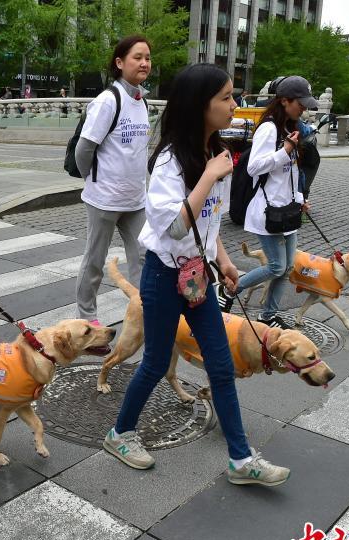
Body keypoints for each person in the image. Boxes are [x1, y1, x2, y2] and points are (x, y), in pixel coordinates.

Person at [104, 63, 290, 487]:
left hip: (198, 277)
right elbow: (174, 227)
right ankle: (120, 434)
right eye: (225, 98)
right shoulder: (171, 161)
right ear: (198, 106)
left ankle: (241, 460)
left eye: (233, 96)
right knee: (153, 364)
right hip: (163, 275)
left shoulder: (217, 153)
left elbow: (209, 221)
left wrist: (223, 259)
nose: (234, 105)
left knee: (221, 367)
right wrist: (207, 177)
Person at [221, 76, 316, 329]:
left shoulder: (288, 128)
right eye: (300, 103)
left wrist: (299, 199)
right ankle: (230, 289)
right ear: (284, 101)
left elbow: (291, 173)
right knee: (275, 266)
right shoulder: (269, 128)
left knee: (286, 268)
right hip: (268, 210)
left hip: (288, 210)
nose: (304, 108)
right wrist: (283, 151)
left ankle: (268, 315)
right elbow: (254, 167)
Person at [74, 35, 152, 325]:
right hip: (105, 200)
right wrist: (93, 181)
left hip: (136, 200)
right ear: (120, 63)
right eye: (137, 57)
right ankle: (87, 319)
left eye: (147, 58)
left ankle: (144, 312)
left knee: (145, 257)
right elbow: (85, 149)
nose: (144, 63)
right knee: (94, 261)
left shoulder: (143, 102)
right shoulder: (108, 101)